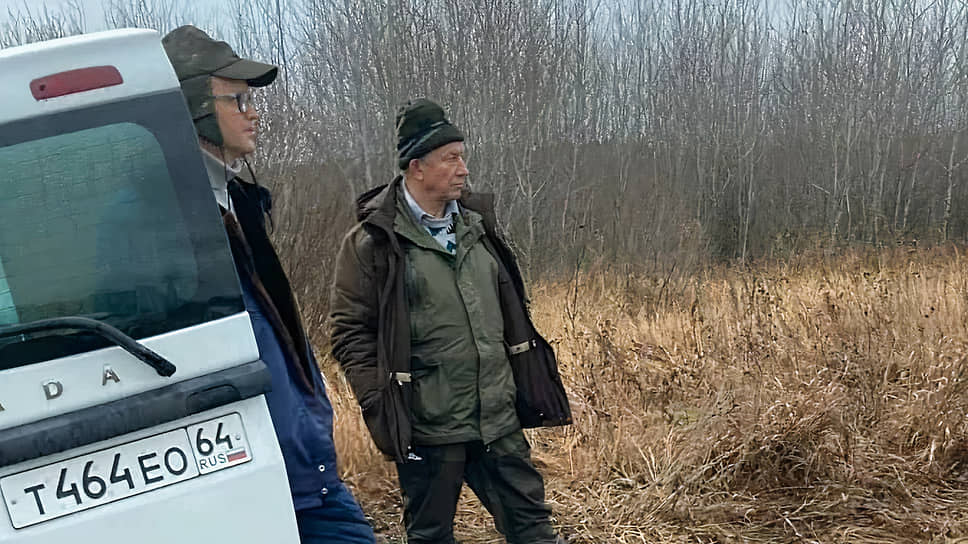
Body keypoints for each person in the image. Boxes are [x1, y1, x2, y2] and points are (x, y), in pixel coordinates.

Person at [162, 26, 376, 544]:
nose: (253, 113)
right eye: (237, 100)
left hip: (300, 468)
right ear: (195, 108)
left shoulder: (234, 200)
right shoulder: (162, 219)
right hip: (252, 474)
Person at [330, 98, 571, 544]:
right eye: (451, 158)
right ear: (417, 167)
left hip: (497, 418)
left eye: (463, 157)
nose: (464, 169)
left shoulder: (478, 226)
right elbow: (349, 332)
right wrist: (381, 402)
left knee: (534, 529)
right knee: (430, 536)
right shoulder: (373, 242)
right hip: (429, 426)